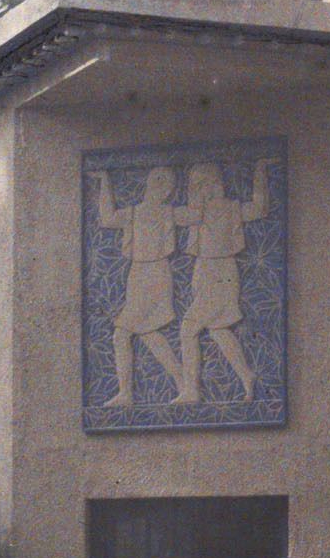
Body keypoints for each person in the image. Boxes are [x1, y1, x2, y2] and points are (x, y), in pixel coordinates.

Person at [176, 159, 271, 404]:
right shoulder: (197, 213)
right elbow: (172, 216)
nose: (197, 190)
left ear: (213, 183)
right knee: (218, 330)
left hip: (222, 272)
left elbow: (259, 209)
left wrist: (260, 172)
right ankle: (246, 376)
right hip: (206, 270)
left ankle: (191, 391)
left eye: (200, 184)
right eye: (194, 186)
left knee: (188, 329)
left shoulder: (229, 208)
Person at [97, 166, 185, 405]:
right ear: (149, 184)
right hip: (138, 274)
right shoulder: (133, 213)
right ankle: (183, 382)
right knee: (148, 333)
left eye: (167, 186)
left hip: (157, 274)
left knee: (122, 334)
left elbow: (197, 215)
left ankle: (126, 393)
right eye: (158, 183)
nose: (163, 190)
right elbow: (107, 219)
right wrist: (105, 180)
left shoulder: (169, 212)